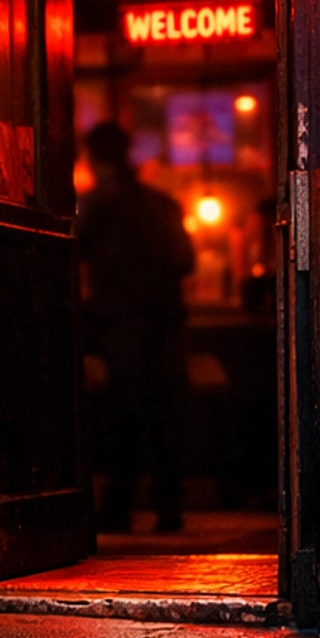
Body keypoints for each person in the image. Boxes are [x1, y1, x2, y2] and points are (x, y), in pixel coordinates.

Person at [77, 119, 194, 534]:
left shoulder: (97, 204)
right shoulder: (159, 203)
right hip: (165, 321)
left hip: (122, 322)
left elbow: (74, 249)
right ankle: (169, 506)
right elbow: (185, 259)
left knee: (123, 415)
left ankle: (118, 506)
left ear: (92, 157)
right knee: (163, 415)